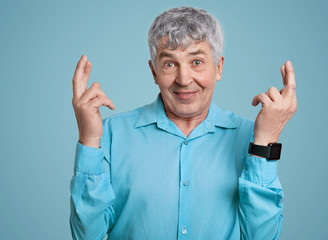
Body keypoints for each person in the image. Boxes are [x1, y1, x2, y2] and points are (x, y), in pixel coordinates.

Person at [70, 6, 297, 240]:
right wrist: (89, 140)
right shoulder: (110, 135)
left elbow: (262, 236)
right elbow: (87, 234)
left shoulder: (251, 137)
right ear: (154, 71)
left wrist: (264, 143)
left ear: (218, 67)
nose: (184, 79)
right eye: (169, 64)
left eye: (197, 62)